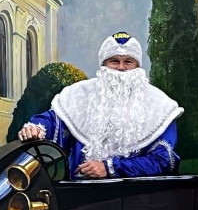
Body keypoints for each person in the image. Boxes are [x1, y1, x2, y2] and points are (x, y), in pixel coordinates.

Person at [17, 32, 182, 179]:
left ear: (137, 66)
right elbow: (54, 121)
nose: (121, 68)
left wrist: (110, 168)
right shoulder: (79, 94)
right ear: (103, 65)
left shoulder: (159, 106)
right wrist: (37, 128)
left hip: (135, 196)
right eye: (114, 61)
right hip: (80, 195)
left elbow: (164, 161)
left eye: (128, 61)